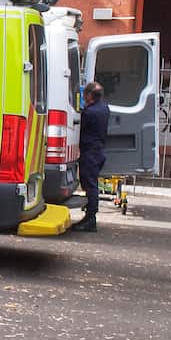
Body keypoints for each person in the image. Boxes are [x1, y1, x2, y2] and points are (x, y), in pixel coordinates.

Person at [73, 81, 109, 232]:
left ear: (89, 96)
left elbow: (82, 131)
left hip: (90, 152)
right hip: (98, 150)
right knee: (91, 183)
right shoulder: (104, 108)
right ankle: (89, 217)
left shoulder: (89, 112)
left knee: (90, 185)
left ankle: (90, 219)